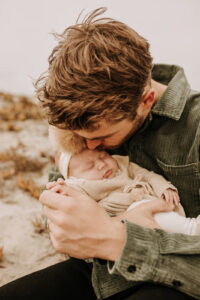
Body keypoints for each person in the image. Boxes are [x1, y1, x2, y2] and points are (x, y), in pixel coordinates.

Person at [0, 6, 199, 300]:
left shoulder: (195, 126)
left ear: (145, 101)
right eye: (81, 138)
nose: (89, 147)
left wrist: (119, 239)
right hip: (99, 273)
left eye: (103, 137)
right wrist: (63, 212)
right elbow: (58, 210)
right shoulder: (78, 131)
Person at [46, 148, 200, 235]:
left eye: (103, 156)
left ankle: (187, 228)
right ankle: (192, 228)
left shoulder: (121, 164)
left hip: (153, 200)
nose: (101, 165)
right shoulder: (78, 186)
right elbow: (73, 202)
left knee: (171, 219)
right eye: (89, 166)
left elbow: (148, 175)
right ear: (73, 178)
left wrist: (163, 187)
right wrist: (61, 192)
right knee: (182, 228)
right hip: (128, 217)